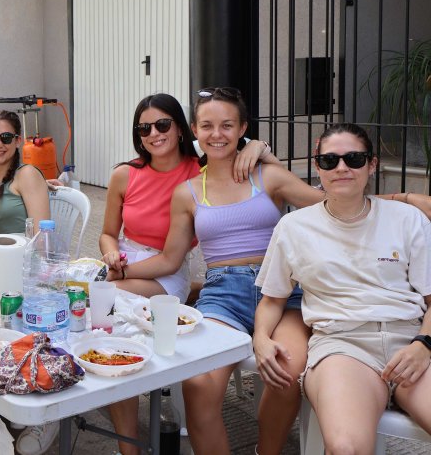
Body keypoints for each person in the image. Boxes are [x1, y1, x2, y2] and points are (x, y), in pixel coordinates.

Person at [113, 87, 331, 455]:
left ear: (242, 127)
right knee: (197, 385)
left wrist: (404, 201)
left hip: (281, 291)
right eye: (208, 125)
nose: (217, 134)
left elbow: (331, 203)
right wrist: (121, 271)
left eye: (227, 125)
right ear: (194, 130)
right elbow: (169, 259)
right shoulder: (187, 192)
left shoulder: (269, 177)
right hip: (223, 295)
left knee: (287, 372)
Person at [255, 123, 431, 454]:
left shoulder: (406, 219)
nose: (341, 168)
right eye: (329, 161)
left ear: (372, 164)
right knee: (346, 448)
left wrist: (424, 345)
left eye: (353, 159)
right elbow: (272, 300)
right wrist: (261, 338)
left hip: (411, 341)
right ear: (316, 165)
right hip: (343, 346)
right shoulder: (294, 228)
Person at [0, 110, 50, 235]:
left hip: (24, 253)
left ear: (18, 141)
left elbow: (42, 238)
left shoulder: (27, 175)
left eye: (6, 138)